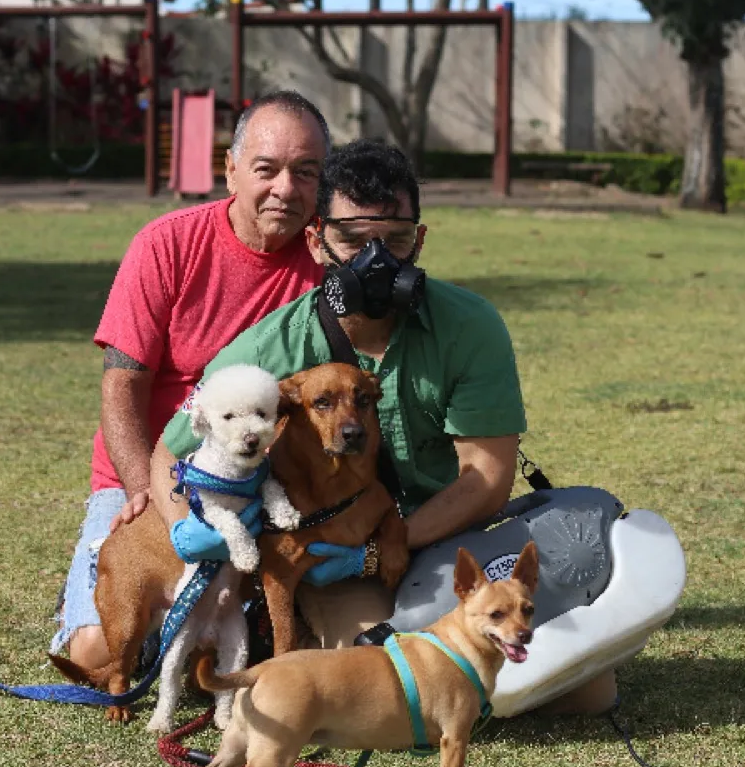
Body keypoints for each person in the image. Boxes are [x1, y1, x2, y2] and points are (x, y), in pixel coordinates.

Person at [153, 139, 617, 716]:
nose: (377, 260)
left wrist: (388, 543)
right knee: (398, 692)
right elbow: (169, 452)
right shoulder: (273, 348)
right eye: (352, 239)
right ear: (316, 237)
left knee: (587, 693)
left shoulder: (469, 325)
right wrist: (189, 538)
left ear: (419, 240)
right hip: (327, 556)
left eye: (396, 240)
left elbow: (489, 477)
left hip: (445, 539)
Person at [51, 90, 330, 670]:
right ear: (230, 171)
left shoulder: (329, 263)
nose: (286, 188)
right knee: (97, 656)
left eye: (305, 172)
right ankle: (95, 593)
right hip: (152, 476)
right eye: (266, 169)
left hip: (261, 483)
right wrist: (144, 494)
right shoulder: (166, 243)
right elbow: (122, 384)